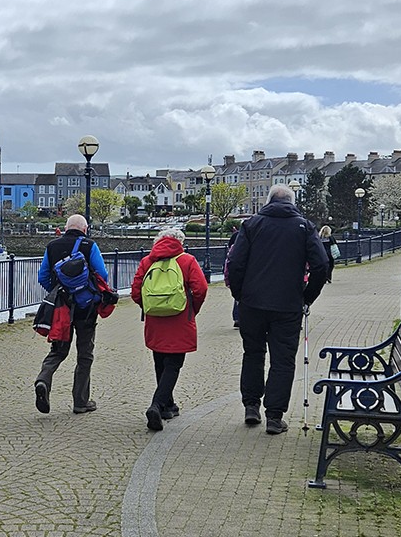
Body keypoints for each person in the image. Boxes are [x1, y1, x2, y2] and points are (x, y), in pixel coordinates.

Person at [226, 183, 329, 434]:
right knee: (282, 361)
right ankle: (274, 416)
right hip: (288, 304)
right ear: (292, 203)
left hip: (252, 303)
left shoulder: (251, 225)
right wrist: (307, 297)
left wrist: (240, 294)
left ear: (269, 201)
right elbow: (321, 265)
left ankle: (251, 405)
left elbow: (235, 263)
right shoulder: (304, 227)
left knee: (253, 353)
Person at [130, 227, 208, 431]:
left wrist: (148, 307)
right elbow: (201, 289)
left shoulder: (148, 261)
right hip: (180, 318)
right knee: (174, 364)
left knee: (160, 361)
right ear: (180, 241)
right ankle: (157, 405)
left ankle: (167, 405)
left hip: (155, 319)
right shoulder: (187, 260)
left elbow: (136, 291)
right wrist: (192, 309)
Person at [34, 213, 109, 414]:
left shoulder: (52, 246)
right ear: (84, 229)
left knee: (58, 350)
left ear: (66, 228)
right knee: (85, 354)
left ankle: (43, 380)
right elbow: (103, 274)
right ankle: (80, 401)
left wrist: (59, 290)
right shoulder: (89, 245)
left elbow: (42, 276)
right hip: (86, 308)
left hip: (62, 308)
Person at [225, 224, 241, 328]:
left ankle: (237, 318)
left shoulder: (234, 248)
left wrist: (228, 280)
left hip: (238, 277)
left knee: (238, 298)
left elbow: (229, 264)